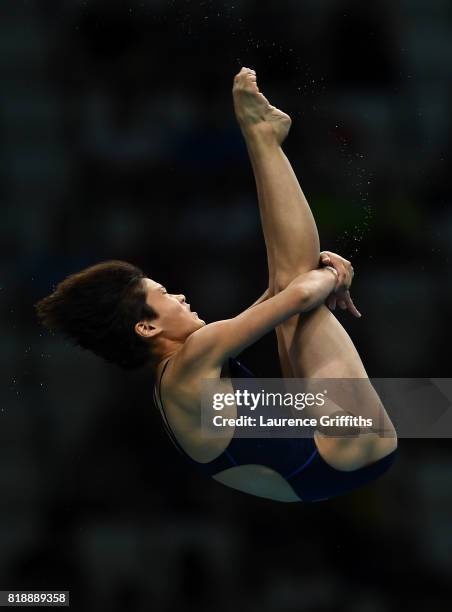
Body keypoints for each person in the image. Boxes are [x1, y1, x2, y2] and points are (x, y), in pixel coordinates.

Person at [35, 67, 397, 503]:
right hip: (352, 443)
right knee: (301, 291)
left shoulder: (174, 382)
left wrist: (321, 275)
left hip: (325, 464)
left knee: (293, 286)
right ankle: (261, 138)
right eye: (165, 295)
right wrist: (332, 275)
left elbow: (284, 295)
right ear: (146, 328)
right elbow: (300, 294)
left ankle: (262, 138)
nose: (181, 296)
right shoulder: (194, 356)